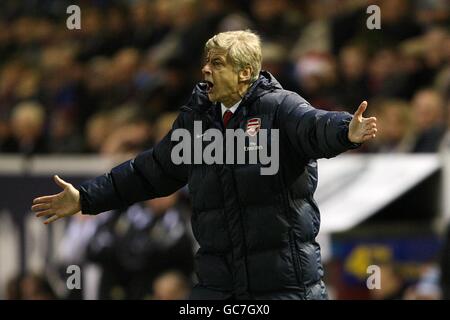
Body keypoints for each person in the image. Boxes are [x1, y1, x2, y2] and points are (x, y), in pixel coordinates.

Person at [32, 30, 377, 300]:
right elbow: (151, 170)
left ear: (245, 73)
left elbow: (315, 127)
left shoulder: (280, 109)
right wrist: (86, 198)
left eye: (217, 63)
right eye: (206, 61)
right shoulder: (196, 120)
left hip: (284, 285)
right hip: (218, 286)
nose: (206, 69)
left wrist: (347, 130)